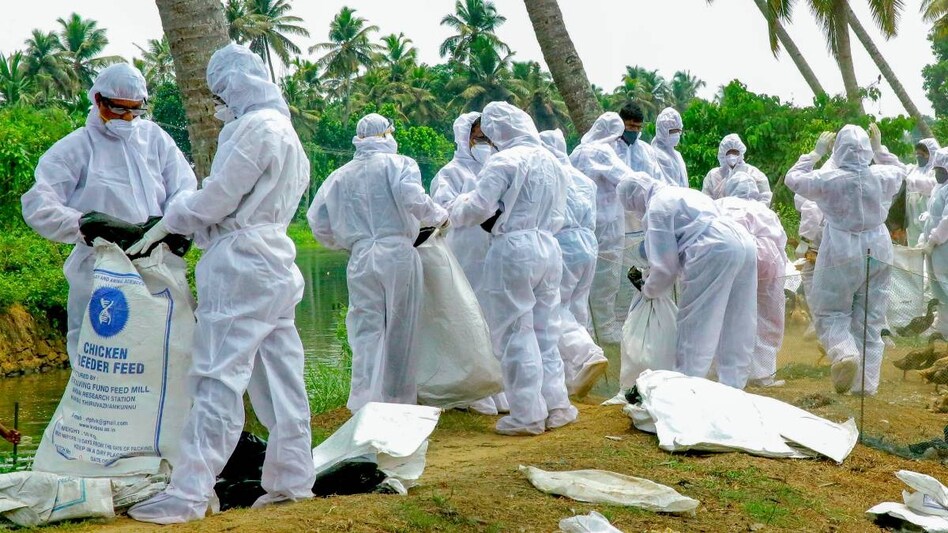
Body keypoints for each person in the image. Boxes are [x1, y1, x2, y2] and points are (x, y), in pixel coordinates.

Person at [128, 44, 315, 523]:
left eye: (219, 94)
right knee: (282, 378)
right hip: (275, 261)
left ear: (233, 85)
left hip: (241, 265)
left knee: (217, 378)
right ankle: (293, 481)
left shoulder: (255, 129)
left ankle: (189, 493)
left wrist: (173, 218)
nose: (218, 105)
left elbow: (217, 198)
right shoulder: (286, 132)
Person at [21, 63, 196, 363]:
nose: (127, 118)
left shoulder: (154, 139)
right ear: (98, 100)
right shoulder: (77, 147)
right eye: (118, 109)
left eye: (135, 110)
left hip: (156, 264)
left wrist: (171, 222)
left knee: (166, 356)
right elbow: (37, 203)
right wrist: (85, 225)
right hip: (100, 268)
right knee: (101, 358)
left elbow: (184, 186)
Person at [450, 101, 576, 435]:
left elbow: (478, 208)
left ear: (499, 131)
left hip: (513, 249)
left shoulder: (504, 161)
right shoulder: (553, 161)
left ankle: (527, 415)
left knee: (516, 331)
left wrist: (454, 208)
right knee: (546, 331)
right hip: (549, 246)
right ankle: (558, 406)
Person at [308, 113, 448, 414]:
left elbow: (317, 221)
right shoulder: (400, 165)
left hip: (361, 257)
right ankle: (398, 402)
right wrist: (441, 217)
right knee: (400, 327)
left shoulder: (339, 176)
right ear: (386, 134)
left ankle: (364, 403)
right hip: (397, 252)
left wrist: (346, 243)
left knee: (365, 329)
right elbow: (414, 199)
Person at [786, 125, 905, 395]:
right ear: (866, 150)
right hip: (879, 246)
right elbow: (901, 169)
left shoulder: (829, 179)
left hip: (842, 246)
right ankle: (866, 385)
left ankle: (844, 352)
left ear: (837, 149)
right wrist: (880, 150)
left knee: (830, 310)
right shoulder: (883, 175)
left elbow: (793, 179)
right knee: (871, 317)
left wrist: (815, 154)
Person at [618, 173, 758, 389]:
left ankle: (687, 387)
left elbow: (665, 268)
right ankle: (733, 385)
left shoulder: (657, 208)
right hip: (743, 241)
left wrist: (648, 290)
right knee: (738, 319)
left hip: (712, 249)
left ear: (634, 197)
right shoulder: (682, 192)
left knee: (697, 325)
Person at [430, 112, 509, 416]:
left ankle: (498, 386)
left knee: (495, 318)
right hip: (464, 252)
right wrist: (474, 205)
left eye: (488, 138)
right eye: (478, 138)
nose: (484, 144)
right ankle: (471, 390)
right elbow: (443, 210)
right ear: (464, 139)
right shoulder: (450, 174)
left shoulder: (499, 168)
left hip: (494, 253)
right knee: (467, 316)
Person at [540, 128, 608, 397]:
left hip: (563, 243)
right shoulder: (583, 180)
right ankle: (574, 376)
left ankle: (586, 354)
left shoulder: (549, 177)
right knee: (577, 308)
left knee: (554, 307)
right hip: (588, 244)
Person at [715, 172, 787, 388]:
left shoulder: (718, 206)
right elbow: (780, 241)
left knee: (725, 312)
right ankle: (763, 373)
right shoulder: (764, 210)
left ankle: (724, 370)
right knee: (767, 315)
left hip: (730, 259)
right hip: (767, 261)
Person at [569, 112, 633, 344]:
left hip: (582, 224)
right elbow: (628, 179)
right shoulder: (602, 151)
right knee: (607, 278)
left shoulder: (577, 152)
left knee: (582, 281)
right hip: (607, 225)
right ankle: (604, 328)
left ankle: (585, 329)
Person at [613, 102, 666, 328]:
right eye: (630, 126)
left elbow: (657, 179)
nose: (634, 131)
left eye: (637, 127)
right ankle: (617, 319)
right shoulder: (610, 149)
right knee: (617, 271)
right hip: (616, 219)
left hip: (641, 218)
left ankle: (636, 315)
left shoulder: (646, 151)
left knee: (639, 265)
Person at [871, 129, 940, 247]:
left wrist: (907, 180)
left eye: (923, 153)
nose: (919, 155)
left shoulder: (937, 173)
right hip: (912, 227)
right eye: (918, 153)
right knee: (914, 252)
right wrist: (878, 149)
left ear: (932, 153)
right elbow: (893, 164)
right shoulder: (912, 169)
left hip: (932, 225)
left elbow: (929, 184)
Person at [919, 148, 948, 336]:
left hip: (944, 246)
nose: (937, 173)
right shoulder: (939, 187)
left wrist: (933, 240)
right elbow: (933, 214)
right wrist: (926, 238)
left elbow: (947, 219)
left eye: (941, 170)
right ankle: (944, 328)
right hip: (937, 248)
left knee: (946, 283)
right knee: (939, 289)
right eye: (936, 169)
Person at [702, 134, 773, 205]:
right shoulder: (713, 176)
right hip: (719, 212)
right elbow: (705, 201)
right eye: (729, 153)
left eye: (735, 152)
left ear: (741, 153)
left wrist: (753, 210)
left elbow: (765, 198)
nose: (732, 155)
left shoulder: (753, 173)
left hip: (750, 211)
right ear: (722, 154)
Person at [651, 107, 689, 188]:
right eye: (672, 131)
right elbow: (666, 187)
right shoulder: (654, 155)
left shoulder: (677, 156)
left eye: (678, 131)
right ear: (662, 132)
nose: (676, 135)